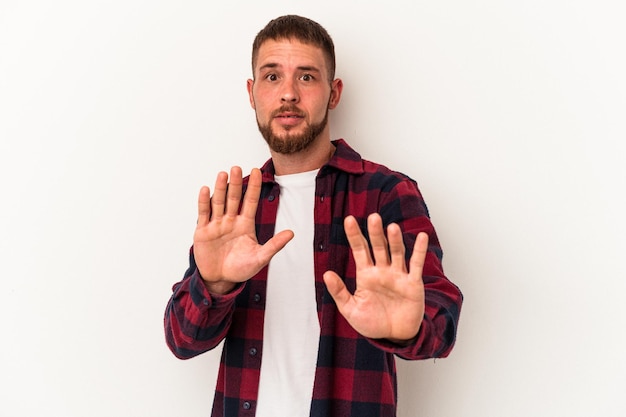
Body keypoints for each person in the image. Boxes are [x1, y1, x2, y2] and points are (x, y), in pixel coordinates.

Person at [164, 15, 463, 417]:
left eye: (306, 77)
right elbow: (183, 340)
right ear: (252, 93)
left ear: (333, 92)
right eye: (272, 77)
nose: (288, 94)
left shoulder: (386, 193)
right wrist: (214, 285)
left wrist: (409, 328)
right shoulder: (236, 208)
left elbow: (440, 324)